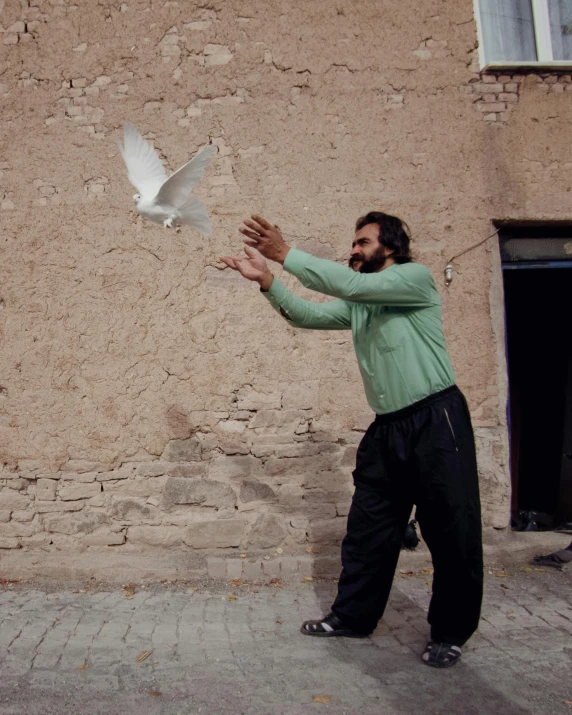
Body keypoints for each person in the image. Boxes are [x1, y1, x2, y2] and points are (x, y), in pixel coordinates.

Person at [221, 212, 483, 669]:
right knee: (369, 530)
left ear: (392, 245)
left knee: (452, 531)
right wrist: (268, 282)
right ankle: (352, 618)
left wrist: (285, 253)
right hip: (388, 427)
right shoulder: (362, 302)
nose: (355, 249)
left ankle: (450, 632)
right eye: (354, 243)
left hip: (437, 420)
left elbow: (354, 287)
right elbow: (310, 315)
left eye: (363, 242)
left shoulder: (414, 280)